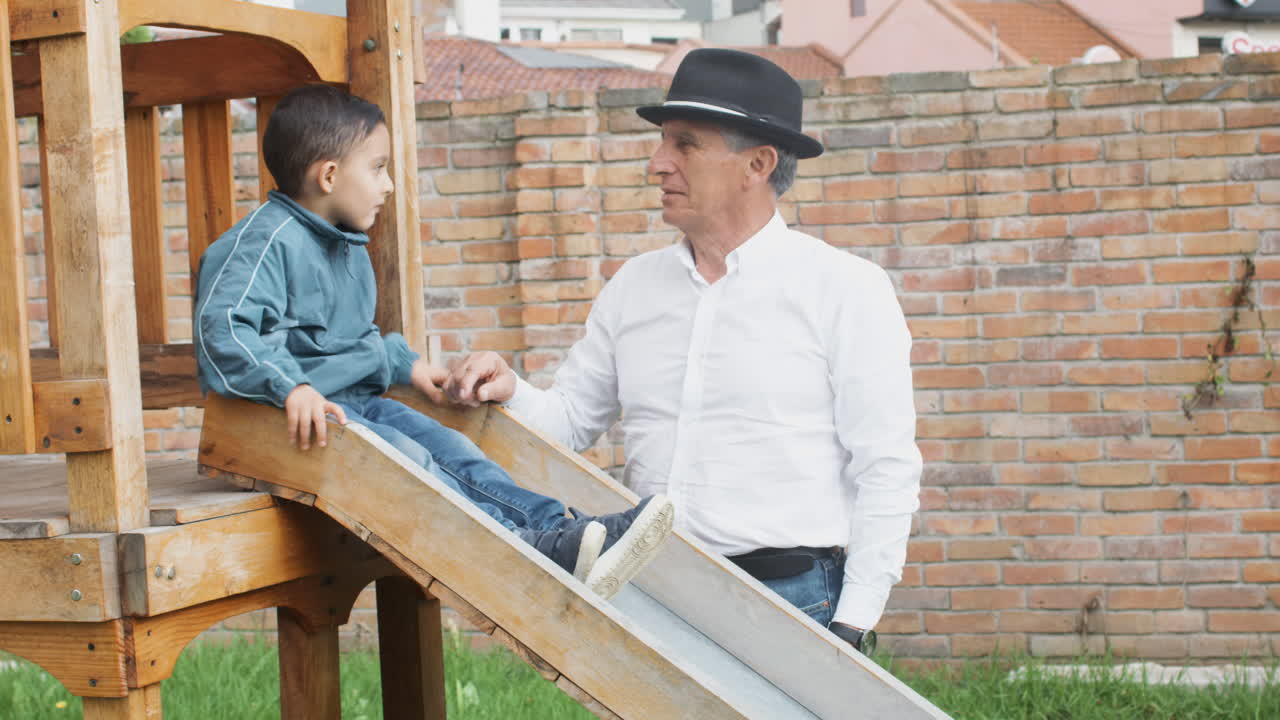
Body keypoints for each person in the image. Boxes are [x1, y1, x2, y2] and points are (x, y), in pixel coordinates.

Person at [444, 49, 922, 653]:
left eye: (684, 144)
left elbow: (886, 468)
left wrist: (854, 623)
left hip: (793, 602)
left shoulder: (846, 290)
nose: (657, 163)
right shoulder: (634, 288)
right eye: (663, 142)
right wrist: (508, 389)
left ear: (758, 163)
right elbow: (568, 424)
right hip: (651, 592)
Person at [193, 84, 674, 599]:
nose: (390, 185)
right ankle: (525, 549)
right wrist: (290, 388)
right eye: (377, 168)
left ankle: (564, 533)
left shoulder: (345, 245)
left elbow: (354, 342)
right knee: (409, 464)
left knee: (454, 449)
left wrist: (407, 365)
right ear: (329, 175)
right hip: (294, 424)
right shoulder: (263, 244)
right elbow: (222, 330)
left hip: (354, 405)